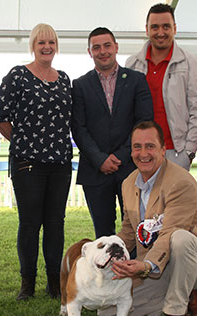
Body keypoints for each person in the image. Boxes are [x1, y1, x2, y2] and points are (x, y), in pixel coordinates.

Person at [98, 121, 197, 316]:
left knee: (180, 238)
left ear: (163, 150)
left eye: (150, 146)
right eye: (137, 147)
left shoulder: (180, 181)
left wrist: (144, 266)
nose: (143, 153)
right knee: (107, 312)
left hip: (191, 259)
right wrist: (103, 253)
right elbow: (128, 231)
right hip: (156, 266)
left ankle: (175, 315)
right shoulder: (128, 183)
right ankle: (184, 298)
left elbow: (170, 231)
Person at [0, 23, 72, 301]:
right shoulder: (18, 76)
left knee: (55, 223)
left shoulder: (64, 79)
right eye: (41, 42)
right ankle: (27, 283)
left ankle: (54, 283)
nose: (46, 46)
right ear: (33, 46)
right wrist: (22, 142)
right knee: (30, 223)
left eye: (51, 41)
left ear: (56, 45)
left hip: (60, 163)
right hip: (28, 164)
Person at [71, 27, 153, 239]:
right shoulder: (80, 85)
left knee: (137, 230)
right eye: (96, 47)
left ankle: (135, 272)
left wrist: (121, 155)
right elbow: (78, 128)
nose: (102, 51)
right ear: (90, 52)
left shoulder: (136, 80)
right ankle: (106, 273)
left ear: (116, 47)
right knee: (103, 235)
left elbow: (144, 122)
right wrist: (100, 159)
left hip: (131, 168)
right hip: (95, 171)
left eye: (107, 45)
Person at [126, 3, 197, 170]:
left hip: (175, 152)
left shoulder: (191, 62)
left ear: (175, 29)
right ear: (146, 30)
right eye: (155, 27)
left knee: (173, 198)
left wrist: (188, 152)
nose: (160, 32)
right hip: (142, 153)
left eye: (166, 27)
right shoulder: (132, 63)